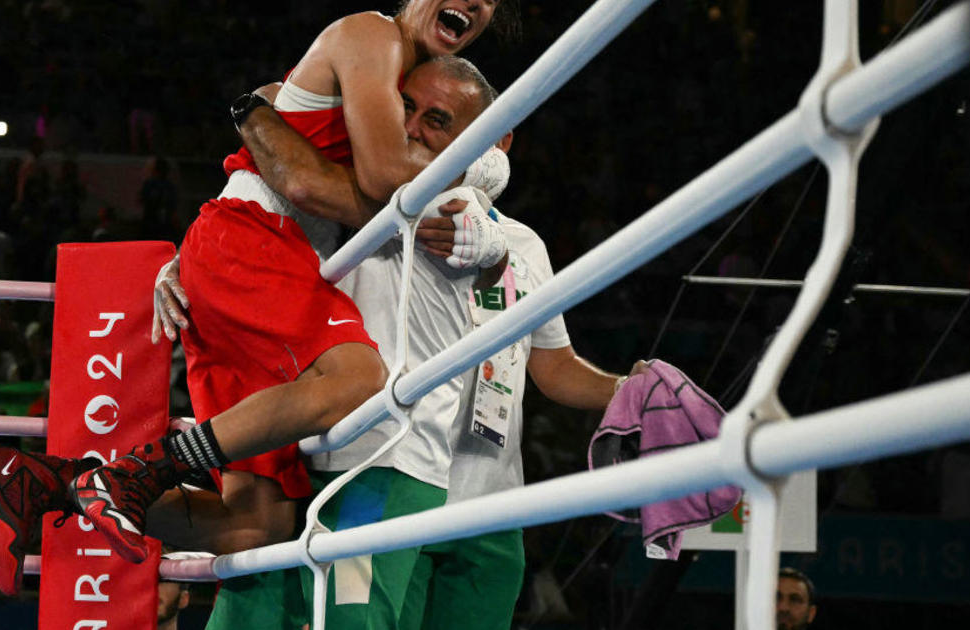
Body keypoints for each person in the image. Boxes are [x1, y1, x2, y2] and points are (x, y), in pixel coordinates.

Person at [0, 0, 513, 597]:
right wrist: (483, 171)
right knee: (359, 380)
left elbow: (322, 166)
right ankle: (138, 472)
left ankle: (41, 482)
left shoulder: (387, 76)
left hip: (253, 256)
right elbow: (385, 178)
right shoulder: (373, 35)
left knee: (256, 527)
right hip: (257, 246)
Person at [158, 56, 632, 630]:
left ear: (497, 137)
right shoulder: (358, 210)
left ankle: (121, 484)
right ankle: (125, 481)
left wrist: (631, 389)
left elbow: (554, 369)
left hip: (489, 503)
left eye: (437, 119)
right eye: (403, 108)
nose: (410, 129)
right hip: (377, 470)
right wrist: (188, 263)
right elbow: (262, 223)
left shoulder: (523, 243)